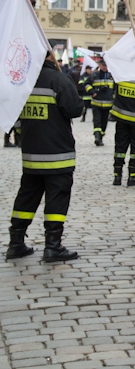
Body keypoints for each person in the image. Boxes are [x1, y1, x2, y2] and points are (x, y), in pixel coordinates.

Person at [5, 48, 83, 261]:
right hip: (57, 154)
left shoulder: (24, 83)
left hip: (31, 154)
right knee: (57, 199)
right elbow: (75, 109)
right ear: (49, 56)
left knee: (27, 197)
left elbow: (17, 119)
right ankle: (53, 246)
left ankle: (15, 243)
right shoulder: (59, 80)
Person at [85, 58, 114, 146]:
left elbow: (115, 89)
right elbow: (86, 84)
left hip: (107, 103)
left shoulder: (111, 76)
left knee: (104, 122)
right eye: (103, 65)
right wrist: (92, 92)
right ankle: (97, 137)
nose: (105, 67)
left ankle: (101, 135)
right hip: (96, 103)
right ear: (99, 65)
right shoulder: (94, 75)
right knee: (97, 121)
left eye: (106, 65)